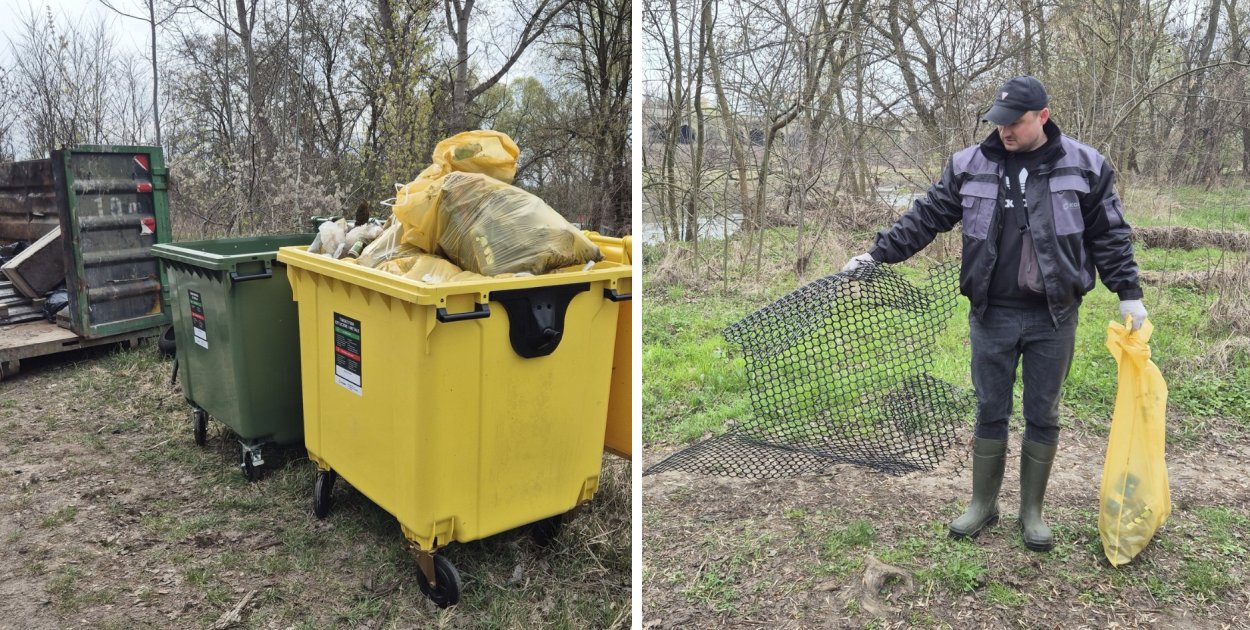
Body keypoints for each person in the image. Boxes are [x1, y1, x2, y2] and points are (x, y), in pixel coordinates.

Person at [841, 76, 1146, 552]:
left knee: (1042, 412)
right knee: (990, 409)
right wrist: (877, 255)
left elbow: (1109, 233)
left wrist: (1128, 292)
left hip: (1054, 315)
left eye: (1016, 122)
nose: (1005, 131)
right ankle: (983, 504)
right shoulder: (969, 164)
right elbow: (927, 216)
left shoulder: (1086, 166)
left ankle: (1032, 512)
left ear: (1042, 116)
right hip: (991, 314)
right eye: (998, 122)